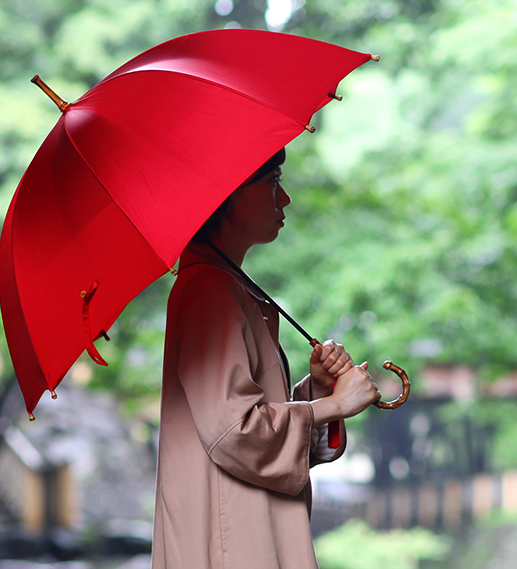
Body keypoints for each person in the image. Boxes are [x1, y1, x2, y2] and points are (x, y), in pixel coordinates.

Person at [151, 149, 381, 569]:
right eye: (273, 180)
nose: (285, 198)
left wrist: (316, 392)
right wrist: (334, 405)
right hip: (232, 540)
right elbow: (235, 433)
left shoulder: (226, 288)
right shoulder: (209, 292)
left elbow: (244, 419)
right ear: (228, 194)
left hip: (240, 525)